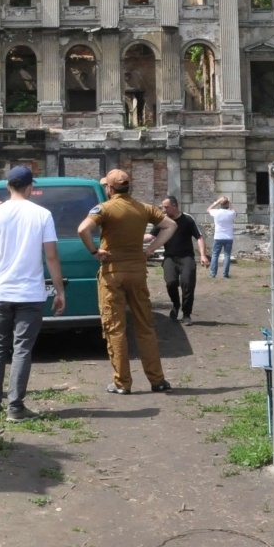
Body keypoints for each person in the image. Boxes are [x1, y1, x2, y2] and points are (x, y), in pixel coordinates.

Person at [0, 165, 66, 422]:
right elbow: (51, 255)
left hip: (2, 292)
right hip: (30, 294)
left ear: (7, 186)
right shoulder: (43, 214)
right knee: (22, 349)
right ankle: (15, 407)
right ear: (30, 187)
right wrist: (59, 291)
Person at [79, 168, 177, 394]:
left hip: (112, 272)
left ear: (110, 188)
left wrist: (95, 251)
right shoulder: (144, 208)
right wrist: (151, 248)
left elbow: (83, 229)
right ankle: (157, 380)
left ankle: (122, 382)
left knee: (115, 328)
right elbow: (171, 225)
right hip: (137, 271)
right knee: (145, 326)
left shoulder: (104, 208)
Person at [159, 196, 207, 323]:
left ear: (174, 206)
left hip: (186, 257)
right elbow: (151, 236)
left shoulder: (187, 219)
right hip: (169, 257)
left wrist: (202, 255)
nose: (163, 210)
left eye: (166, 207)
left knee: (187, 284)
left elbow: (199, 237)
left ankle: (186, 314)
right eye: (162, 207)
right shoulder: (163, 220)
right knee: (170, 283)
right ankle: (176, 304)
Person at [207, 196, 236, 278]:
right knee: (227, 255)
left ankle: (213, 274)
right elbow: (235, 211)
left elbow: (208, 209)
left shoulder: (217, 212)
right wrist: (229, 202)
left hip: (218, 236)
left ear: (220, 204)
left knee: (215, 255)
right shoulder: (231, 213)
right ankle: (225, 274)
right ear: (227, 204)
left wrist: (217, 201)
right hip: (228, 237)